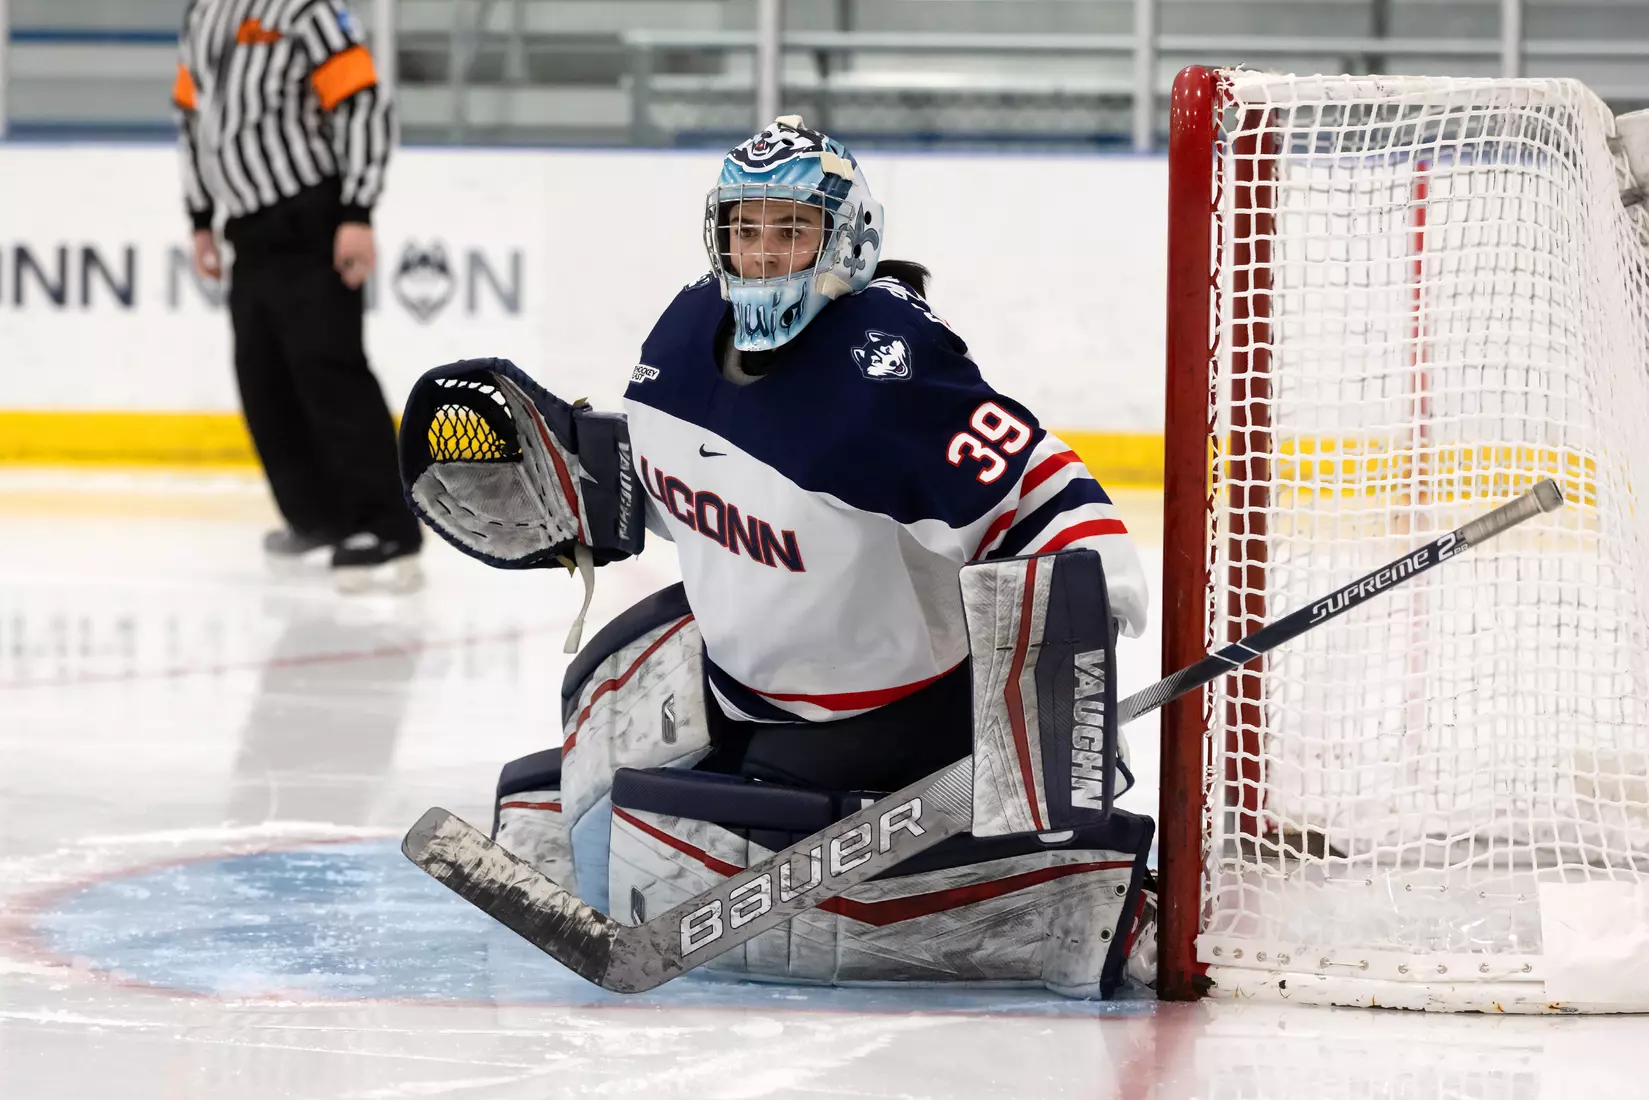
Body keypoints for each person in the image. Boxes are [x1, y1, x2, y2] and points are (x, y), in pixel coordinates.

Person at [400, 117, 1156, 997]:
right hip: (748, 684)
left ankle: (1064, 901)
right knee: (596, 708)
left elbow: (1042, 499)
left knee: (663, 840)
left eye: (792, 231)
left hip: (887, 713)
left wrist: (1073, 674)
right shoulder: (682, 334)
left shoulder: (891, 369)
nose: (762, 256)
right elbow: (706, 498)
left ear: (846, 239)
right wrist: (595, 490)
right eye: (745, 230)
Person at [173, 0, 421, 592]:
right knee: (263, 381)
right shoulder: (204, 12)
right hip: (247, 229)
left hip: (310, 217)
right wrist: (200, 216)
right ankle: (317, 518)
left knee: (329, 371)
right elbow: (191, 116)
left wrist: (357, 209)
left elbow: (361, 103)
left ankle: (387, 526)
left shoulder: (308, 9)